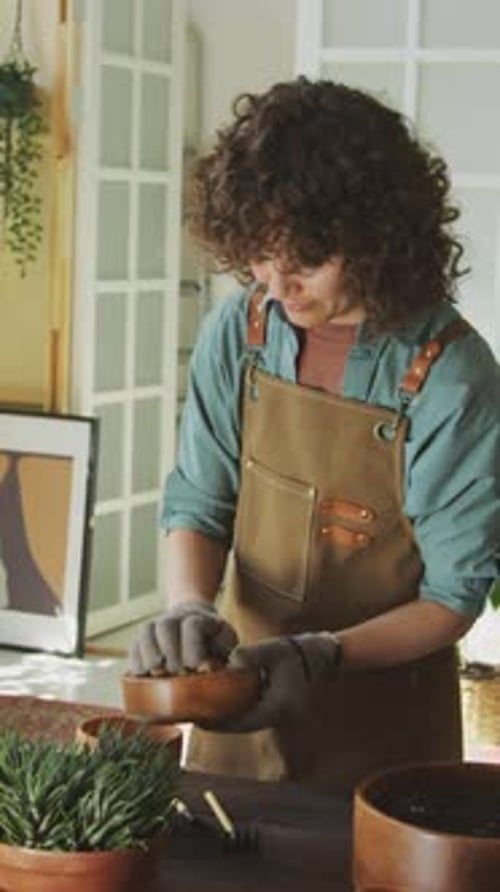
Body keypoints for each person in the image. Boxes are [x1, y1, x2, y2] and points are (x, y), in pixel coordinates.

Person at [129, 77, 500, 792]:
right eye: (261, 259)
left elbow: (452, 598)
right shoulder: (242, 332)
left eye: (303, 263)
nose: (277, 287)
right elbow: (200, 502)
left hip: (383, 730)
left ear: (376, 239)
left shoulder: (450, 376)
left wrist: (320, 655)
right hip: (233, 702)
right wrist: (188, 605)